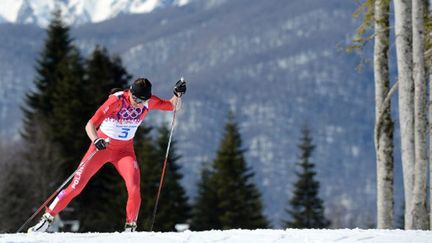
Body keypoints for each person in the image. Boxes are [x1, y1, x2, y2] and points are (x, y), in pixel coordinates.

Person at [28, 78, 187, 233]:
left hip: (125, 151)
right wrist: (96, 140)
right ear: (129, 92)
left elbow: (173, 106)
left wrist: (177, 94)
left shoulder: (148, 101)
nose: (138, 103)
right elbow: (90, 124)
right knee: (76, 186)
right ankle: (47, 219)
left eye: (142, 100)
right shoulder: (116, 101)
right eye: (135, 98)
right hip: (101, 149)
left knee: (134, 188)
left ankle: (130, 227)